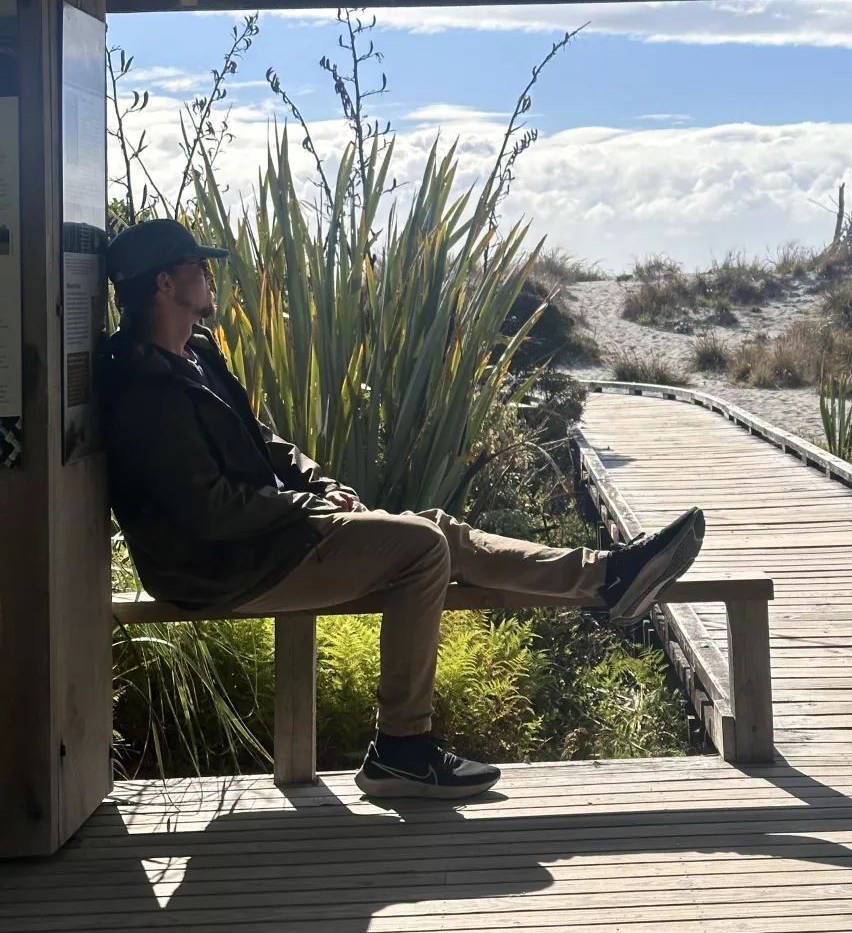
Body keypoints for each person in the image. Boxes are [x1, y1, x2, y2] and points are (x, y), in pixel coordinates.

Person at [102, 219, 704, 801]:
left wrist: (320, 482)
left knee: (432, 531)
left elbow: (264, 444)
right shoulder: (147, 389)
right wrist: (306, 506)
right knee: (420, 547)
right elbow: (211, 512)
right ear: (163, 284)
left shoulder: (195, 353)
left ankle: (610, 577)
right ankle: (401, 747)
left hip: (265, 538)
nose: (208, 274)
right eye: (197, 265)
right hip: (224, 567)